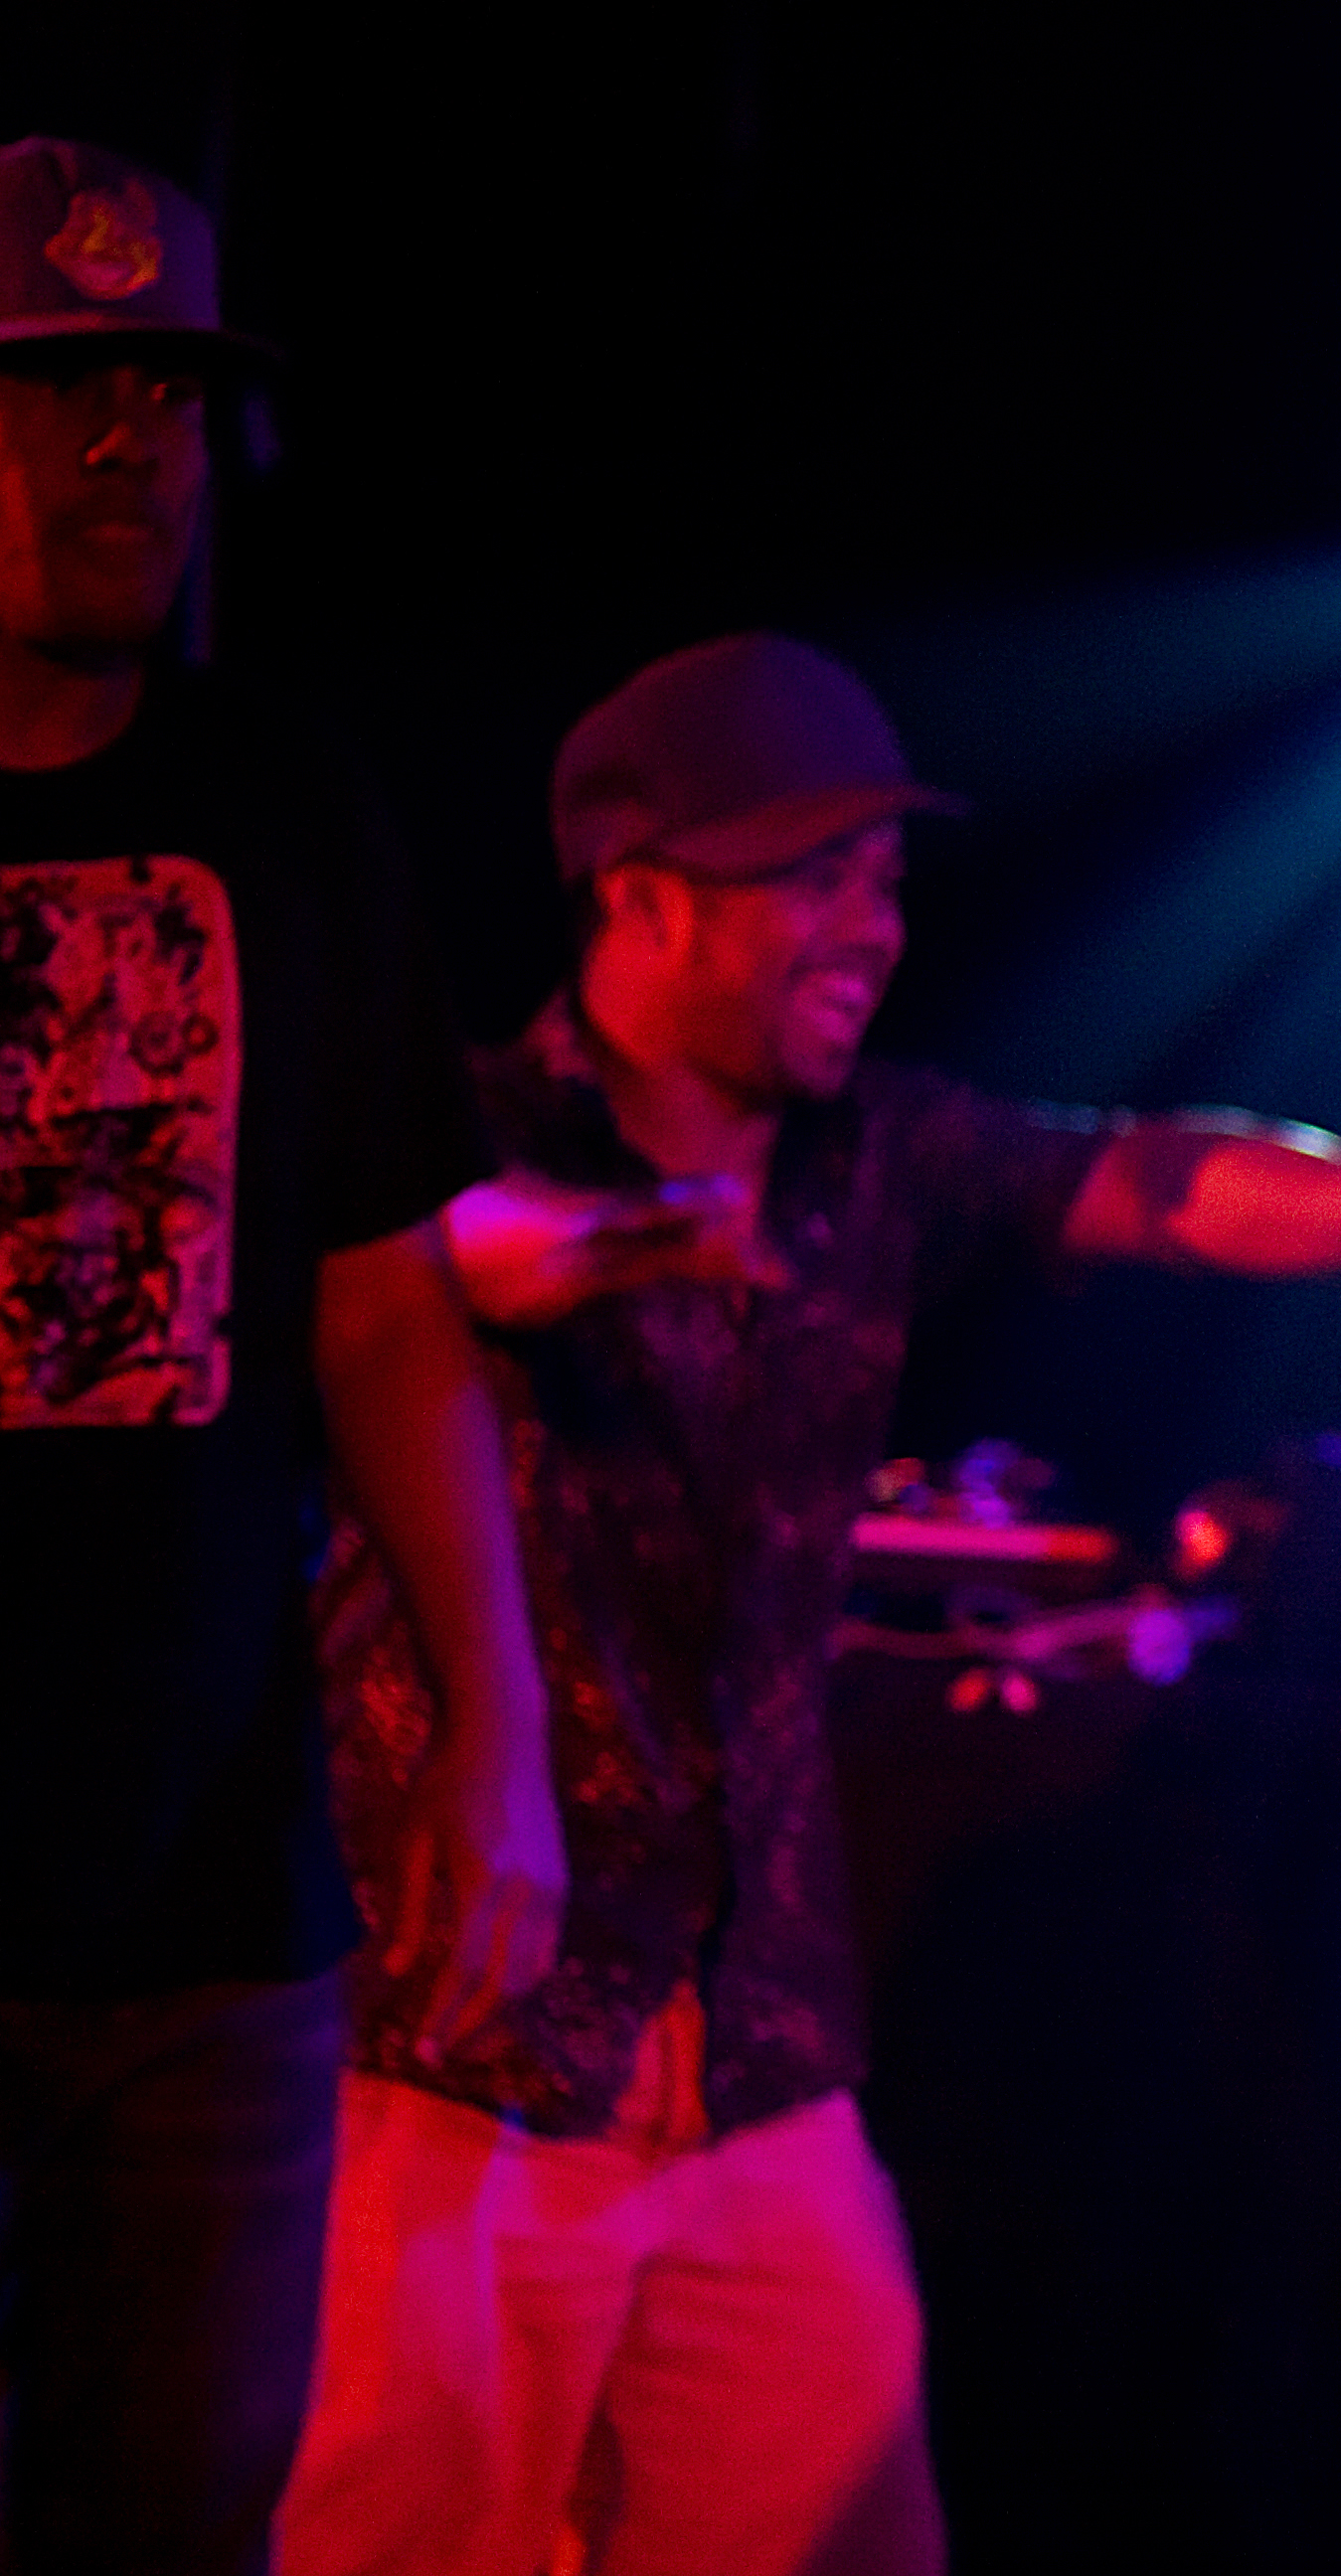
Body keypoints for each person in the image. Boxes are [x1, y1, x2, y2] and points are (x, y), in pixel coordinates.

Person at [265, 629, 1341, 2576]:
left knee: (848, 2528)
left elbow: (1153, 1181)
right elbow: (421, 1270)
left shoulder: (879, 1160)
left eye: (884, 878)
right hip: (464, 2058)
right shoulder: (443, 1151)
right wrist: (559, 1255)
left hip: (760, 2062)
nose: (871, 924)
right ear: (638, 896)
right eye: (813, 879)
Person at [0, 137, 564, 2576]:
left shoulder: (286, 800)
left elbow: (376, 1297)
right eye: (57, 389)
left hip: (216, 1903)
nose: (132, 445)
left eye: (170, 391)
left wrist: (496, 1739)